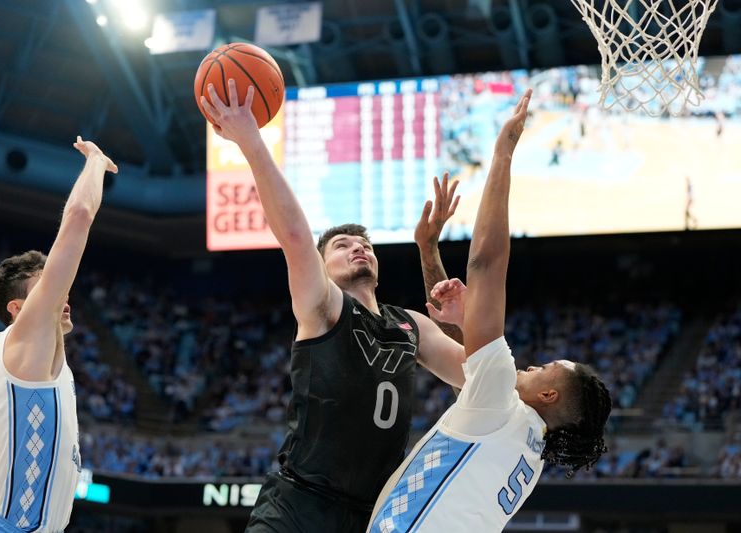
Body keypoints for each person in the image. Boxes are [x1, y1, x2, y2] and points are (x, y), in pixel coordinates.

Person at [201, 81, 467, 533]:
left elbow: (473, 376)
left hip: (369, 517)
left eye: (365, 244)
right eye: (343, 245)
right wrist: (250, 140)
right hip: (297, 506)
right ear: (322, 267)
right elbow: (296, 238)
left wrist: (428, 251)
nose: (359, 249)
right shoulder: (324, 305)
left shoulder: (410, 324)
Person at [367, 90, 612, 532]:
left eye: (547, 368)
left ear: (550, 396)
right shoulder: (524, 442)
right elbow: (465, 353)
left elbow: (486, 264)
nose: (535, 363)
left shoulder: (502, 405)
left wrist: (502, 153)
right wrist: (428, 252)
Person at [0, 137, 118, 532]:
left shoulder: (2, 353)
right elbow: (79, 215)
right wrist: (96, 162)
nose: (63, 294)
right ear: (18, 309)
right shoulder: (24, 338)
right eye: (47, 287)